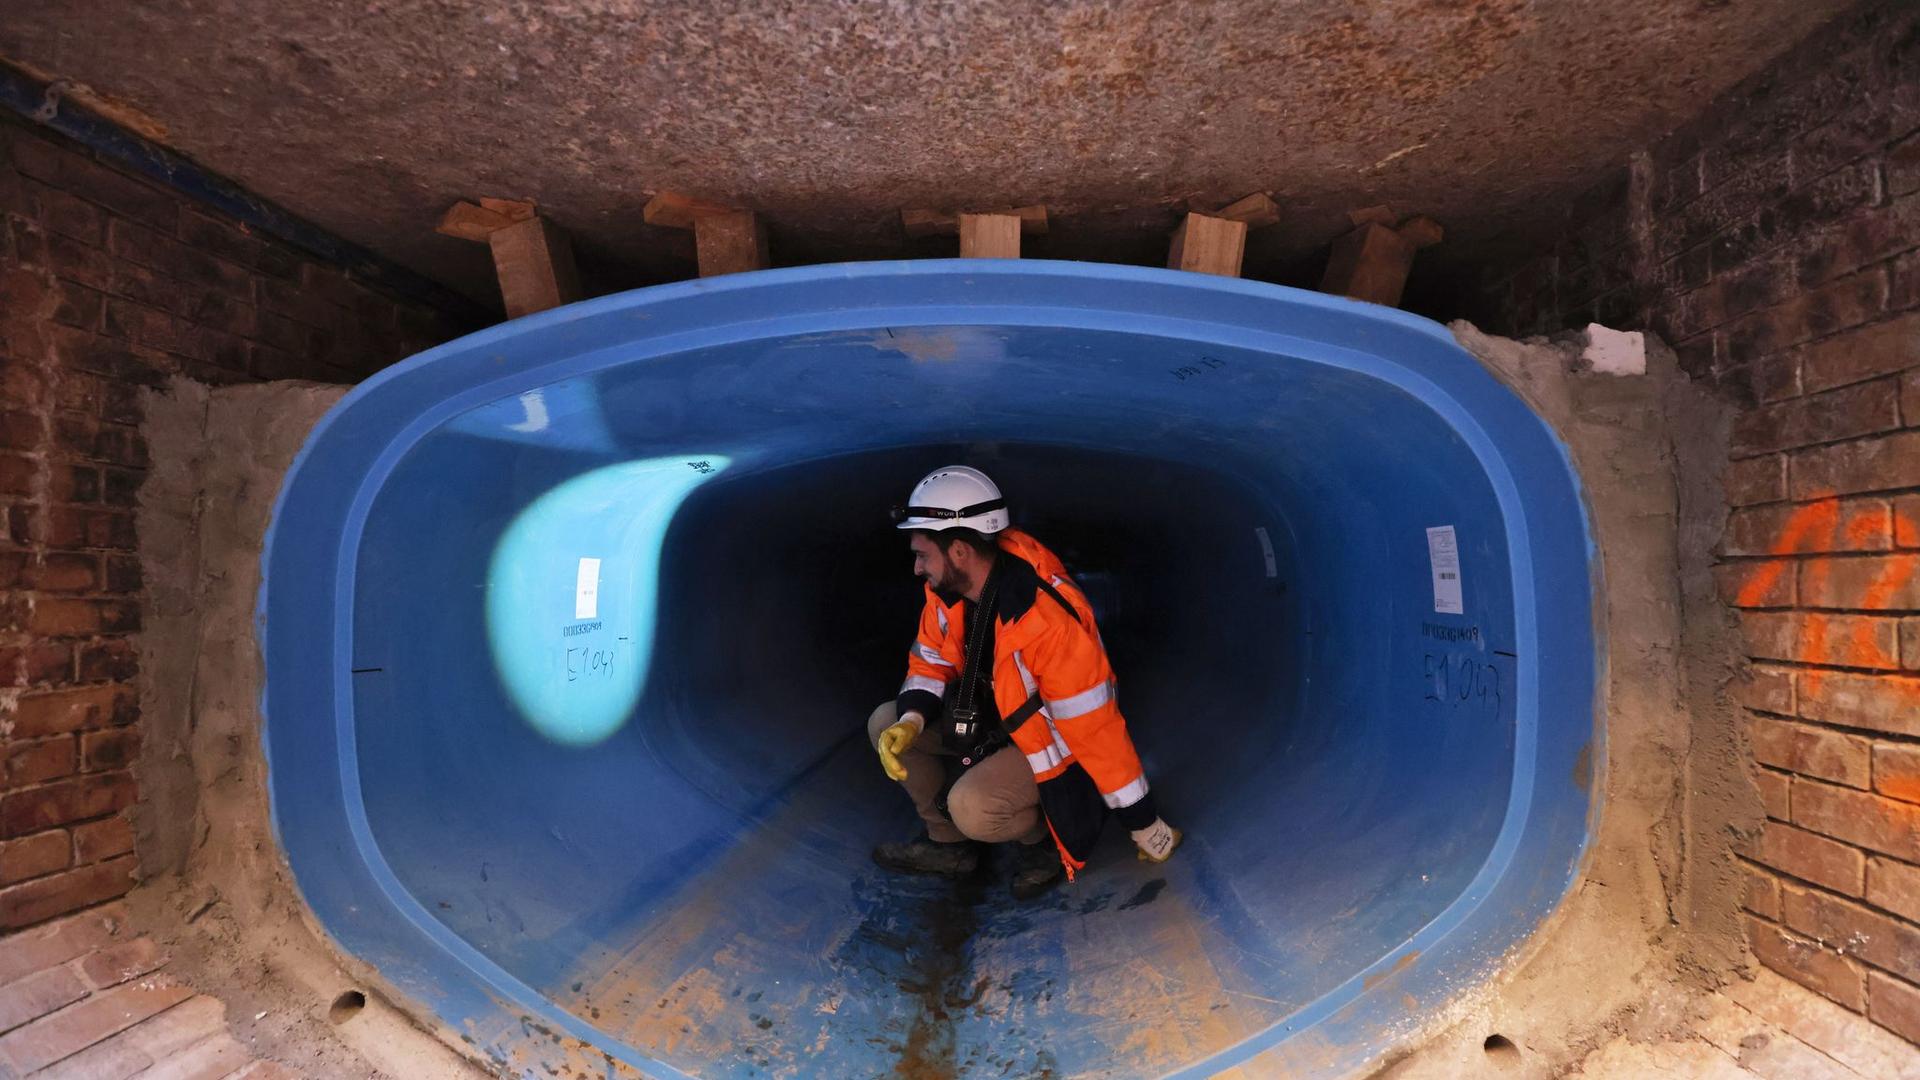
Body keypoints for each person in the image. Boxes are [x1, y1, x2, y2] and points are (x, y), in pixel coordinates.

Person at [867, 465, 1180, 900]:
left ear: (959, 550)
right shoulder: (946, 596)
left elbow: (1095, 728)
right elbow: (930, 661)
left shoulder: (1047, 620)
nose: (917, 568)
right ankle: (949, 847)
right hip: (993, 724)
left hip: (1047, 745)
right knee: (886, 722)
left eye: (923, 554)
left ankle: (1041, 844)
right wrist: (914, 719)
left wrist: (1145, 824)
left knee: (971, 808)